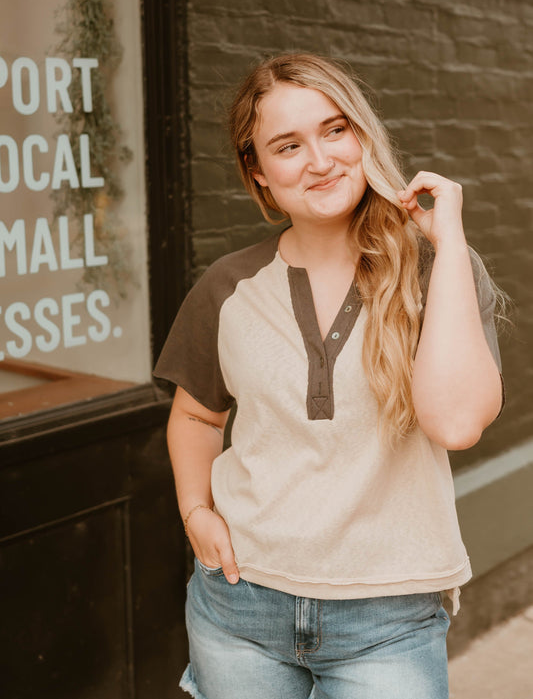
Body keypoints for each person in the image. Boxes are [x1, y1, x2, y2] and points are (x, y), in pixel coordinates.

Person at [154, 53, 504, 699]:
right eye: (288, 145)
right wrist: (194, 508)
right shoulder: (227, 286)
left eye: (335, 130)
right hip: (239, 602)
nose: (320, 160)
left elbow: (455, 423)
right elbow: (198, 413)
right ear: (257, 170)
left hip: (387, 614)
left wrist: (449, 243)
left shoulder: (436, 271)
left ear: (363, 135)